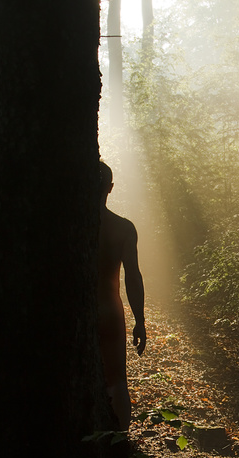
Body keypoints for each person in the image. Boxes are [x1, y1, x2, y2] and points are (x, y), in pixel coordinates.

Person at [97, 160, 146, 430]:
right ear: (110, 188)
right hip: (109, 310)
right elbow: (133, 275)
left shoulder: (67, 230)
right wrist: (140, 320)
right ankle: (119, 439)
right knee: (116, 380)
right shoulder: (123, 228)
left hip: (74, 311)